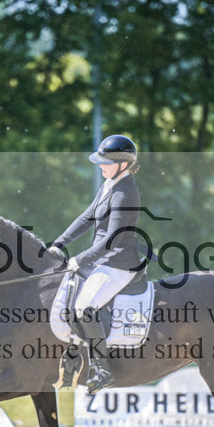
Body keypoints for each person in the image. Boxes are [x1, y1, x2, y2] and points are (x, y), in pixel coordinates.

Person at [49, 134, 142, 393]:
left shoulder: (125, 192)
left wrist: (80, 258)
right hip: (101, 261)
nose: (100, 165)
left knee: (84, 307)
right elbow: (87, 217)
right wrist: (59, 243)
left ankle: (103, 369)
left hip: (118, 264)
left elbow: (113, 239)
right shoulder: (110, 184)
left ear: (123, 164)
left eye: (106, 162)